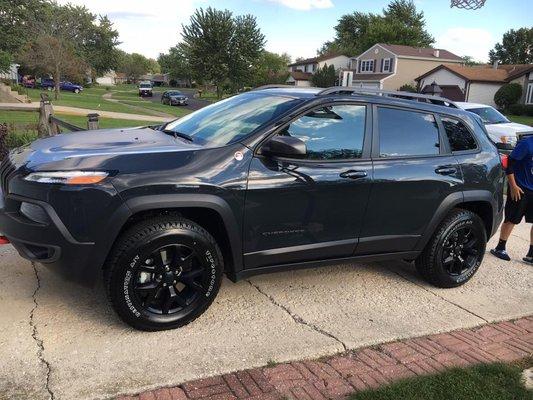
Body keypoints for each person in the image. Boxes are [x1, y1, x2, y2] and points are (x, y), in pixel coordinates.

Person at [491, 136, 533, 263]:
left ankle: (531, 254)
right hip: (520, 188)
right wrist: (513, 186)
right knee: (512, 219)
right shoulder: (526, 144)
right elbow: (509, 163)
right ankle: (500, 247)